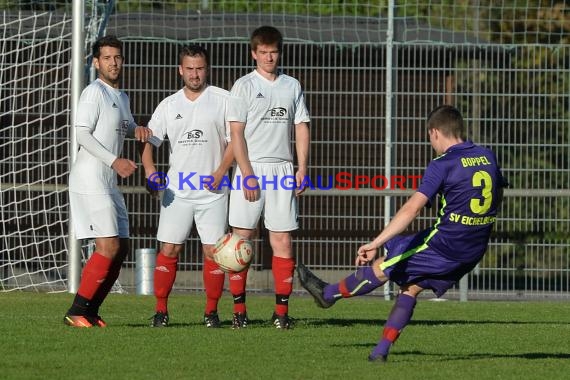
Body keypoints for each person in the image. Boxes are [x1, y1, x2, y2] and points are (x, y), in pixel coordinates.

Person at [297, 105, 508, 360]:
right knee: (411, 286)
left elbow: (411, 209)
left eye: (430, 138)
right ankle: (379, 353)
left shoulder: (442, 164)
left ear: (435, 133)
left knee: (385, 263)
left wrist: (375, 241)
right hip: (474, 248)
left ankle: (327, 294)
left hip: (444, 245)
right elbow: (497, 190)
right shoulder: (487, 155)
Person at [141, 44, 234, 328]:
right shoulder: (169, 105)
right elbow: (149, 143)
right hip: (177, 192)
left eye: (200, 68)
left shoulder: (223, 99)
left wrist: (220, 171)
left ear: (207, 69)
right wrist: (150, 171)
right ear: (180, 70)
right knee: (169, 249)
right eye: (190, 69)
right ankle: (160, 311)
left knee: (213, 253)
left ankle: (211, 312)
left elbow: (235, 142)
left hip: (213, 192)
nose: (195, 74)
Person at [64, 35, 152, 327]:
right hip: (90, 178)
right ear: (96, 62)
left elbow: (123, 128)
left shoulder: (121, 97)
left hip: (107, 181)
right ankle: (77, 310)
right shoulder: (94, 93)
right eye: (107, 58)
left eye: (117, 57)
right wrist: (114, 160)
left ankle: (90, 310)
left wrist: (138, 129)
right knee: (108, 246)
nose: (113, 63)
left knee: (122, 247)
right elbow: (83, 134)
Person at [227, 25, 311, 329]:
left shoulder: (291, 85)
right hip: (251, 169)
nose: (269, 57)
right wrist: (246, 173)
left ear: (279, 52)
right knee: (241, 242)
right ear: (254, 54)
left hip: (282, 170)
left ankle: (282, 313)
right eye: (263, 52)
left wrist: (302, 168)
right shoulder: (243, 86)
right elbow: (236, 133)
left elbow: (301, 126)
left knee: (282, 240)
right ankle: (239, 312)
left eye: (273, 51)